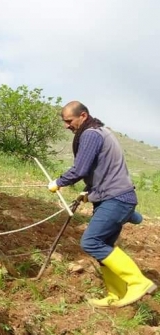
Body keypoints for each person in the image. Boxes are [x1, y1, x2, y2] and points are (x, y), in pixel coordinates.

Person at [48, 101, 156, 307]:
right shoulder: (101, 132)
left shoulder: (90, 134)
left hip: (116, 199)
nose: (67, 125)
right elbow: (104, 169)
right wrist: (90, 194)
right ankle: (115, 295)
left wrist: (58, 182)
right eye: (64, 121)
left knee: (91, 242)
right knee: (104, 246)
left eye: (69, 121)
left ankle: (138, 282)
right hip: (116, 197)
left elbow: (80, 169)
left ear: (83, 116)